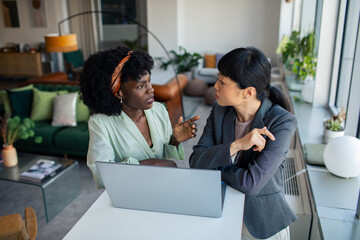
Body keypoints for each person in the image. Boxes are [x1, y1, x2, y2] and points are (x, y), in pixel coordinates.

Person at [189, 47, 297, 240]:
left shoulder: (281, 122)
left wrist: (215, 170)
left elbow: (251, 183)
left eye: (223, 82)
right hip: (222, 214)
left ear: (248, 92)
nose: (216, 86)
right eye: (218, 78)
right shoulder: (220, 111)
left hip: (262, 226)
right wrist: (236, 145)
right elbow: (196, 160)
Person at [80, 46, 199, 188]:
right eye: (141, 86)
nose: (151, 89)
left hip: (162, 186)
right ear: (119, 93)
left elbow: (164, 159)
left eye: (149, 81)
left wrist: (175, 140)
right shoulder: (100, 123)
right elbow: (101, 174)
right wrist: (147, 164)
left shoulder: (159, 110)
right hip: (129, 191)